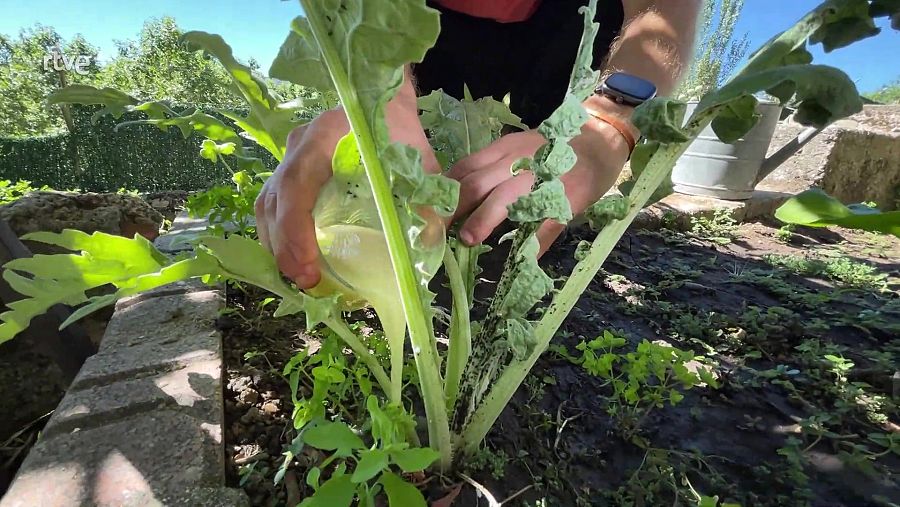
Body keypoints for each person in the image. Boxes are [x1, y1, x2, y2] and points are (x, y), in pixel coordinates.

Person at [256, 0, 701, 289]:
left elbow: (662, 8)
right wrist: (379, 91)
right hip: (420, 21)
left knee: (525, 208)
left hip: (576, 27)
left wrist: (607, 122)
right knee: (420, 174)